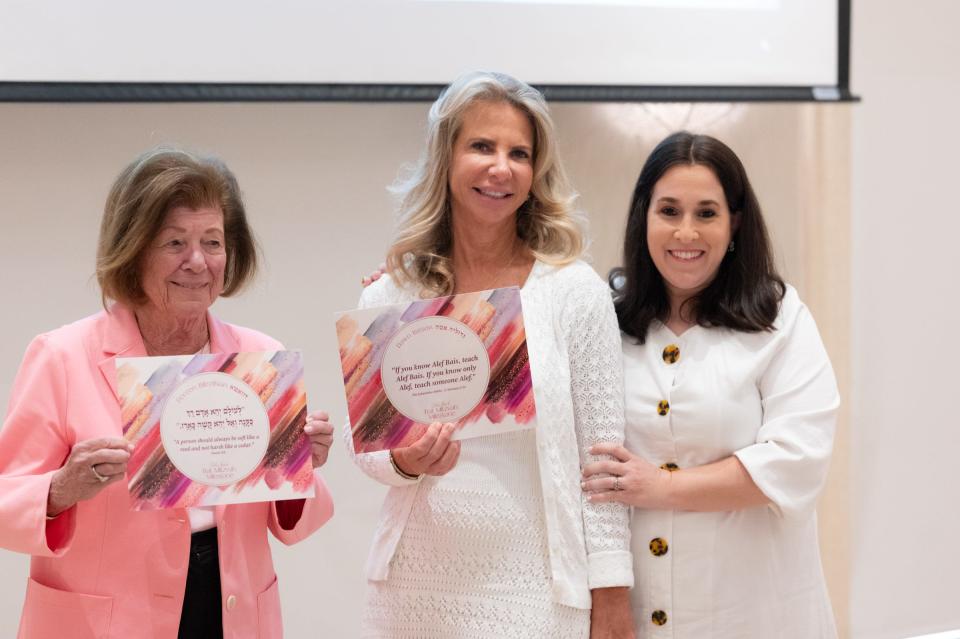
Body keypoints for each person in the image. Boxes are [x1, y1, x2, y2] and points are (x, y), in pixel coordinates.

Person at [0, 147, 335, 639]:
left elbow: (296, 522)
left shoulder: (259, 358)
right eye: (174, 242)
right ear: (134, 251)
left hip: (231, 608)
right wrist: (61, 489)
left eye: (213, 242)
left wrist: (300, 464)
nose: (197, 261)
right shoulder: (62, 355)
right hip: (106, 621)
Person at [348, 71, 635, 638]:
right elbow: (370, 451)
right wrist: (407, 460)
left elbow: (603, 464)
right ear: (446, 158)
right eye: (481, 146)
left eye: (519, 153)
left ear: (536, 172)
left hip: (541, 592)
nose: (501, 167)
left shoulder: (574, 292)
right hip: (413, 590)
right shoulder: (389, 295)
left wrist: (613, 596)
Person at [581, 132, 840, 637]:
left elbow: (798, 457)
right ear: (644, 217)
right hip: (635, 609)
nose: (686, 232)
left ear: (734, 222)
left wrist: (662, 486)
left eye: (706, 213)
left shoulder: (781, 317)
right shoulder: (600, 316)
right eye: (669, 211)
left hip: (754, 609)